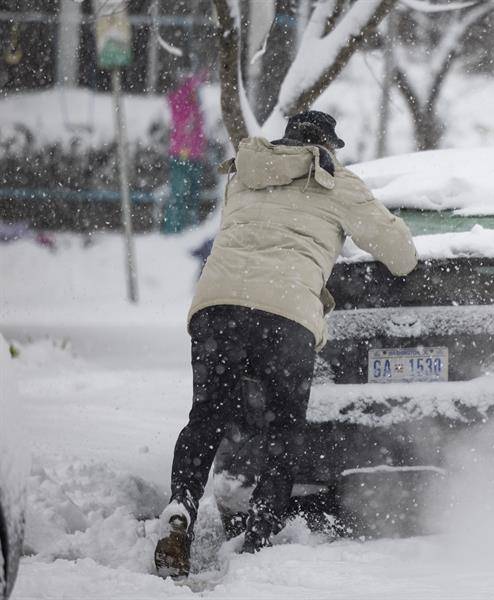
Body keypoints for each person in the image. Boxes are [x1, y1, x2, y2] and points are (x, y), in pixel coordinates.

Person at [154, 110, 418, 577]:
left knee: (207, 417)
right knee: (282, 428)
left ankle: (181, 508)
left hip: (217, 310)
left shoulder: (244, 175)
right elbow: (400, 257)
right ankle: (259, 531)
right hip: (286, 317)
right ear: (327, 148)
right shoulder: (339, 184)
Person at [162, 70, 207, 234]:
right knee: (179, 195)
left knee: (192, 196)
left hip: (195, 156)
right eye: (195, 89)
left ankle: (188, 229)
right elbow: (183, 127)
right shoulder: (180, 101)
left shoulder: (195, 105)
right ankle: (174, 230)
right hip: (181, 155)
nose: (198, 93)